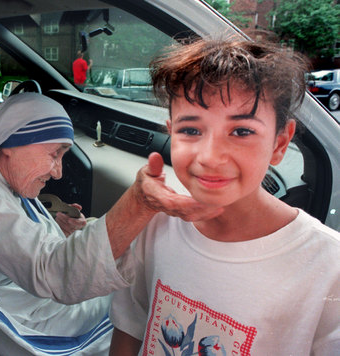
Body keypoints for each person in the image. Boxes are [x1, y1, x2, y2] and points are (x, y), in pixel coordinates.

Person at [0, 92, 221, 355]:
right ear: (10, 143)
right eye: (54, 155)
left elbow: (1, 234)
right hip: (26, 313)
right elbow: (56, 276)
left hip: (17, 292)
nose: (58, 172)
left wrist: (54, 225)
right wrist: (138, 205)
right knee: (137, 306)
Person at [109, 36, 340, 355]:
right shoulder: (156, 224)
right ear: (170, 131)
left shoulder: (328, 267)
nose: (210, 156)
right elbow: (130, 325)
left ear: (280, 143)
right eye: (190, 130)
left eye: (242, 132)